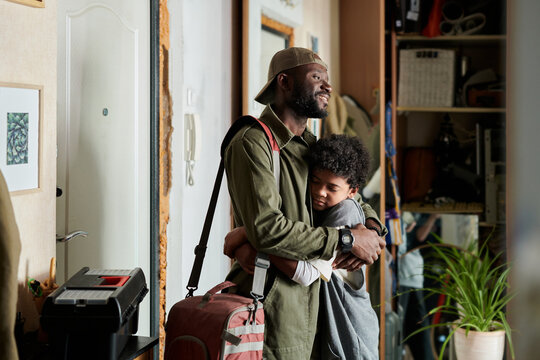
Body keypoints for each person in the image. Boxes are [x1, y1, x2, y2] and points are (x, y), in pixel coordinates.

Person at [222, 47, 386, 360]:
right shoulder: (253, 142)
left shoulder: (309, 143)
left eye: (327, 79)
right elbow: (267, 230)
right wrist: (347, 239)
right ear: (284, 82)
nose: (328, 87)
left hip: (313, 309)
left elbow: (355, 195)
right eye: (316, 78)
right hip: (272, 309)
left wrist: (373, 230)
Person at [225, 134, 380, 359]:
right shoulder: (321, 208)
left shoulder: (345, 212)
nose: (319, 192)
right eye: (315, 181)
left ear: (352, 191)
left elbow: (307, 273)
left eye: (331, 187)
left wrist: (251, 235)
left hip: (350, 338)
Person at [398, 212, 440, 360]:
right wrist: (433, 217)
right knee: (407, 325)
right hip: (406, 275)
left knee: (415, 325)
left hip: (415, 275)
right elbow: (419, 237)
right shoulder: (411, 212)